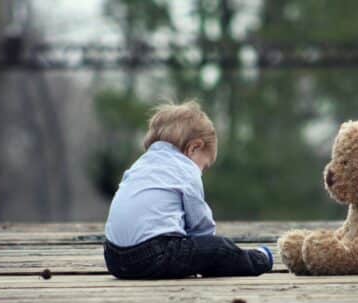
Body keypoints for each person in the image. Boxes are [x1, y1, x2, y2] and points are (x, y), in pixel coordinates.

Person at [103, 101, 273, 279]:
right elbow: (200, 224)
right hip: (153, 255)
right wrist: (207, 248)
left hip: (114, 259)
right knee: (220, 248)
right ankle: (259, 259)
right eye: (204, 166)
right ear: (194, 148)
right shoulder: (186, 169)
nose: (201, 171)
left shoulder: (139, 165)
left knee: (188, 249)